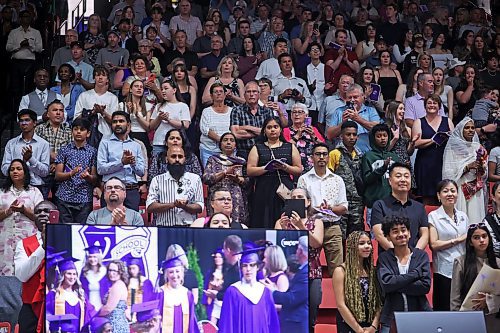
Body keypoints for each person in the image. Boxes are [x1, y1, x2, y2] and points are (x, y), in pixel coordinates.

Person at [274, 188, 323, 331]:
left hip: (312, 273)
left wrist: (302, 227)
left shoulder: (317, 221)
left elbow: (316, 243)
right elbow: (277, 248)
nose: (296, 199)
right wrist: (282, 230)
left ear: (308, 202)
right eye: (293, 197)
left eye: (300, 197)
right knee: (290, 314)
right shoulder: (281, 222)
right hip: (289, 274)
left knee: (311, 314)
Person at [297, 143, 348, 275]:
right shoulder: (304, 179)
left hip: (332, 226)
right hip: (311, 226)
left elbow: (344, 208)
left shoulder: (337, 180)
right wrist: (313, 210)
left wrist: (330, 208)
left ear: (328, 157)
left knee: (337, 270)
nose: (321, 157)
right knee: (306, 267)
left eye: (324, 154)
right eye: (318, 154)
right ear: (312, 158)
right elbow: (299, 204)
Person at [377, 216, 432, 333]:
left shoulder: (421, 256)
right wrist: (415, 274)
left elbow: (425, 286)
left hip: (420, 315)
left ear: (409, 233)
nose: (401, 234)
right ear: (388, 237)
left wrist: (396, 284)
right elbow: (386, 284)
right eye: (395, 231)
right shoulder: (384, 258)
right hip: (391, 317)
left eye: (403, 230)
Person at [247, 117, 303, 228]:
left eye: (275, 127)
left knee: (285, 219)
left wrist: (285, 167)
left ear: (281, 130)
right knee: (263, 220)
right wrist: (267, 168)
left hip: (284, 188)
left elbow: (298, 169)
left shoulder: (290, 146)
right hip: (264, 188)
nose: (272, 130)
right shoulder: (257, 147)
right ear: (264, 131)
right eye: (269, 127)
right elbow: (250, 170)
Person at [14, 200, 55, 333]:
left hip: (58, 305)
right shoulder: (24, 243)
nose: (42, 214)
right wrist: (43, 247)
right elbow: (22, 275)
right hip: (31, 306)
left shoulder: (67, 238)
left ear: (56, 214)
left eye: (47, 211)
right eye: (38, 212)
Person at [450, 224, 500, 333]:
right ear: (470, 242)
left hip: (494, 316)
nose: (481, 240)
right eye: (476, 237)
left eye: (484, 236)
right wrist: (456, 319)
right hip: (469, 315)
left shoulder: (497, 263)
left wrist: (489, 301)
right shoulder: (461, 263)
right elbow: (455, 297)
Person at [218, 247, 280, 333]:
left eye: (252, 265)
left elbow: (272, 324)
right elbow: (227, 324)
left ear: (258, 267)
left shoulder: (265, 292)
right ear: (241, 268)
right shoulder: (233, 291)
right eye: (245, 265)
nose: (248, 269)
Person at [428, 179, 468, 311]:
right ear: (439, 196)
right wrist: (456, 240)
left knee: (462, 306)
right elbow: (434, 244)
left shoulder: (463, 216)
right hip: (444, 269)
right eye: (445, 191)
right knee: (444, 307)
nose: (450, 194)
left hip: (463, 267)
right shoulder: (433, 216)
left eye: (453, 191)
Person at [371, 162, 429, 252]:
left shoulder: (419, 207)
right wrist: (398, 254)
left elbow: (424, 234)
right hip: (389, 259)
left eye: (406, 176)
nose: (403, 180)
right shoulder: (380, 205)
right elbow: (379, 235)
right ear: (390, 181)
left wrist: (413, 255)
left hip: (415, 260)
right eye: (398, 176)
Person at [0, 158, 43, 276]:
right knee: (5, 271)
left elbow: (41, 217)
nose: (15, 171)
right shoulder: (2, 192)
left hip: (27, 238)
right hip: (5, 238)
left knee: (26, 270)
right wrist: (9, 211)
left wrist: (24, 210)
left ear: (25, 172)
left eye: (19, 169)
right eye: (12, 169)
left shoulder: (34, 192)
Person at [333, 231, 381, 333]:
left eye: (369, 243)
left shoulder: (373, 271)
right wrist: (359, 330)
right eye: (362, 243)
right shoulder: (341, 271)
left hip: (370, 325)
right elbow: (341, 305)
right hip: (349, 324)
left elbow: (379, 303)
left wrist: (373, 327)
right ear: (352, 246)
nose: (367, 246)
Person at [97, 111, 146, 211]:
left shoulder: (136, 145)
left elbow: (141, 172)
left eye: (121, 121)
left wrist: (132, 163)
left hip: (131, 190)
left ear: (128, 124)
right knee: (108, 223)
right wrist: (122, 162)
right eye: (114, 122)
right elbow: (100, 169)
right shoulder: (105, 143)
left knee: (131, 224)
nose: (118, 124)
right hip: (111, 190)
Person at [443, 117, 488, 224]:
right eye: (467, 128)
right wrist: (467, 167)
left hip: (476, 189)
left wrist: (482, 168)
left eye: (472, 128)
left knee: (476, 219)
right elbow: (448, 173)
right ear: (461, 130)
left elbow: (485, 175)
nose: (471, 130)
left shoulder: (478, 147)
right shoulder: (453, 147)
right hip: (460, 187)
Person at [54, 118, 97, 224]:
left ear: (88, 133)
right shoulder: (64, 150)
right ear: (71, 131)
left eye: (82, 129)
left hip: (84, 198)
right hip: (64, 197)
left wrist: (88, 177)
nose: (78, 132)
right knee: (64, 232)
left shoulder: (93, 152)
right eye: (75, 129)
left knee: (81, 232)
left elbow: (95, 178)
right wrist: (71, 174)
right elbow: (57, 176)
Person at [146, 146, 204, 226]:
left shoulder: (195, 179)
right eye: (173, 156)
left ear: (184, 159)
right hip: (164, 228)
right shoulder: (157, 180)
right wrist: (173, 205)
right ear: (167, 159)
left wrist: (184, 206)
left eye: (180, 157)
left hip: (189, 228)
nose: (177, 160)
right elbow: (150, 207)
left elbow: (199, 207)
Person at [412, 94, 454, 205]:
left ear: (439, 106)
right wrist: (434, 140)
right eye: (429, 103)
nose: (432, 105)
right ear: (425, 106)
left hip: (443, 163)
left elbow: (454, 141)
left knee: (445, 194)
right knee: (427, 197)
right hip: (425, 164)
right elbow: (416, 143)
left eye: (435, 103)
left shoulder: (447, 121)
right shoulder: (418, 122)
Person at [262, 236, 309, 333]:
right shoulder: (266, 275)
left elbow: (288, 301)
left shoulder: (282, 278)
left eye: (265, 257)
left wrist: (270, 294)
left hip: (289, 322)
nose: (263, 260)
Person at [329, 121, 365, 238]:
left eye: (354, 135)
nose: (351, 137)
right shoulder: (334, 154)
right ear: (341, 136)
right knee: (340, 235)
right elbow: (329, 177)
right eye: (348, 134)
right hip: (340, 202)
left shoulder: (360, 154)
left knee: (355, 236)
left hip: (357, 202)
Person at [202, 133, 249, 224]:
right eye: (225, 140)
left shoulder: (241, 162)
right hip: (217, 198)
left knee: (236, 226)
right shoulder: (213, 160)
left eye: (231, 140)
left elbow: (247, 182)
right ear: (220, 144)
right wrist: (224, 173)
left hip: (237, 199)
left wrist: (237, 179)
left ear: (235, 145)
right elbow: (206, 178)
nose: (228, 142)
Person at [2, 109, 50, 191]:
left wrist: (31, 159)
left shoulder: (44, 144)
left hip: (35, 186)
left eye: (27, 120)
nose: (24, 123)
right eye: (21, 121)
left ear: (34, 123)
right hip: (14, 185)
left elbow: (45, 172)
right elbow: (4, 169)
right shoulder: (11, 143)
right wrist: (19, 166)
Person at [34, 100, 73, 198]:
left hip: (61, 174)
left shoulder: (69, 131)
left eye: (61, 110)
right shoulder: (39, 129)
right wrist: (49, 160)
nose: (58, 113)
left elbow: (71, 153)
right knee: (41, 204)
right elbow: (35, 150)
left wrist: (56, 164)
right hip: (42, 174)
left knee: (60, 206)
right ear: (48, 114)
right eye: (55, 110)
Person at [46, 257, 96, 332]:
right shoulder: (54, 294)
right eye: (69, 274)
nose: (72, 277)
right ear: (63, 275)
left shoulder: (80, 295)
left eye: (74, 274)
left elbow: (90, 313)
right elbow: (46, 315)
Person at [326, 84, 381, 153]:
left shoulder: (371, 111)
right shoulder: (339, 111)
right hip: (343, 154)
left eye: (355, 97)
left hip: (366, 153)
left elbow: (378, 129)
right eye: (349, 97)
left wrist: (358, 119)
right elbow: (329, 135)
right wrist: (343, 123)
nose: (352, 100)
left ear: (363, 96)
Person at [361, 124, 399, 219]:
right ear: (373, 138)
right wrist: (382, 168)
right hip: (374, 204)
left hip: (393, 204)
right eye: (379, 136)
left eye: (385, 135)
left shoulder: (394, 156)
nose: (382, 139)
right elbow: (367, 179)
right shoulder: (368, 156)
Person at [74, 65, 118, 144]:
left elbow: (115, 121)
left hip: (106, 137)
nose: (100, 78)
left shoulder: (113, 98)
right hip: (87, 137)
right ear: (94, 78)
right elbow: (77, 118)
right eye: (97, 75)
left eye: (103, 75)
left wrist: (102, 112)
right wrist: (91, 113)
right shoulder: (84, 95)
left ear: (107, 79)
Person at [230, 81, 274, 159]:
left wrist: (246, 127)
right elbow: (236, 134)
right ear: (244, 95)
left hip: (264, 150)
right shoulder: (236, 110)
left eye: (254, 91)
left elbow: (271, 133)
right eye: (248, 92)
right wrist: (262, 132)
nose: (251, 94)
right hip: (244, 152)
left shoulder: (267, 111)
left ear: (259, 94)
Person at [156, 255, 200, 333]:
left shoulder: (188, 294)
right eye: (171, 272)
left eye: (177, 271)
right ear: (166, 275)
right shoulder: (161, 293)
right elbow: (156, 318)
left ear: (182, 273)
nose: (175, 275)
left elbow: (191, 320)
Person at [150, 79, 191, 156]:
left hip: (176, 143)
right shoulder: (158, 106)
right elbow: (151, 126)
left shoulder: (183, 106)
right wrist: (159, 118)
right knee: (157, 166)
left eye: (166, 88)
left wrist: (168, 120)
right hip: (159, 142)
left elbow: (185, 125)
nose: (163, 91)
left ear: (174, 90)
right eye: (161, 89)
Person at [283, 103, 325, 174]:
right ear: (291, 116)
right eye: (294, 112)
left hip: (312, 167)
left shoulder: (313, 129)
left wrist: (313, 136)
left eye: (300, 112)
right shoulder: (286, 130)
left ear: (306, 116)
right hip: (294, 167)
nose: (296, 114)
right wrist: (297, 135)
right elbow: (285, 148)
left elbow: (323, 147)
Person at [199, 83, 233, 166]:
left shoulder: (232, 111)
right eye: (215, 92)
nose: (218, 93)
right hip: (208, 150)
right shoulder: (206, 111)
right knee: (209, 176)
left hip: (228, 151)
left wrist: (226, 144)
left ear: (225, 95)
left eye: (221, 91)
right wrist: (223, 141)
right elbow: (205, 130)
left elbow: (234, 129)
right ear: (211, 96)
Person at [118, 78, 153, 155]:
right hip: (128, 135)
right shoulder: (122, 105)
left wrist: (137, 114)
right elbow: (120, 124)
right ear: (130, 90)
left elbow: (148, 127)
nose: (139, 88)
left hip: (143, 136)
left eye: (141, 87)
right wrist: (128, 113)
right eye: (136, 86)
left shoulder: (148, 106)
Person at [384, 101, 415, 182]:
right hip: (392, 162)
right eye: (400, 109)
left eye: (404, 109)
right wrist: (395, 138)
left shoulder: (407, 129)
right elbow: (384, 150)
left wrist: (412, 144)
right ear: (394, 110)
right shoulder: (386, 127)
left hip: (405, 163)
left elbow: (408, 152)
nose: (403, 111)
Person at [324, 29, 360, 95]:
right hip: (336, 86)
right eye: (341, 37)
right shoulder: (330, 52)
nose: (343, 39)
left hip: (350, 85)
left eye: (345, 38)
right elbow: (330, 68)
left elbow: (357, 69)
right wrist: (340, 57)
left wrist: (347, 61)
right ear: (336, 38)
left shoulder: (351, 53)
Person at [98, 260, 129, 333]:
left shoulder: (117, 286)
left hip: (115, 325)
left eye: (115, 271)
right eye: (110, 270)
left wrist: (94, 315)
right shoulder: (118, 284)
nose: (111, 273)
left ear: (120, 272)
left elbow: (108, 308)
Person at [80, 245, 110, 312]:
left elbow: (108, 289)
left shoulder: (104, 271)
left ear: (98, 258)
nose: (92, 259)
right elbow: (81, 289)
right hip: (88, 304)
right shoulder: (84, 272)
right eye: (90, 257)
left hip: (101, 304)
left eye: (95, 257)